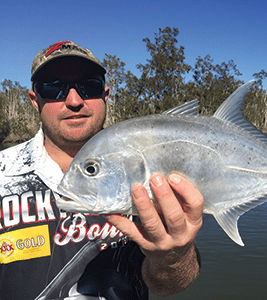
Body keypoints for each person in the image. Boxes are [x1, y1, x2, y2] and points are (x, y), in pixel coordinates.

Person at [0, 41, 204, 299]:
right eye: (53, 88)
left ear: (105, 95)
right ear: (34, 99)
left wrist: (173, 257)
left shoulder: (151, 166)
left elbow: (170, 285)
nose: (74, 100)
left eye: (88, 86)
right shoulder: (2, 175)